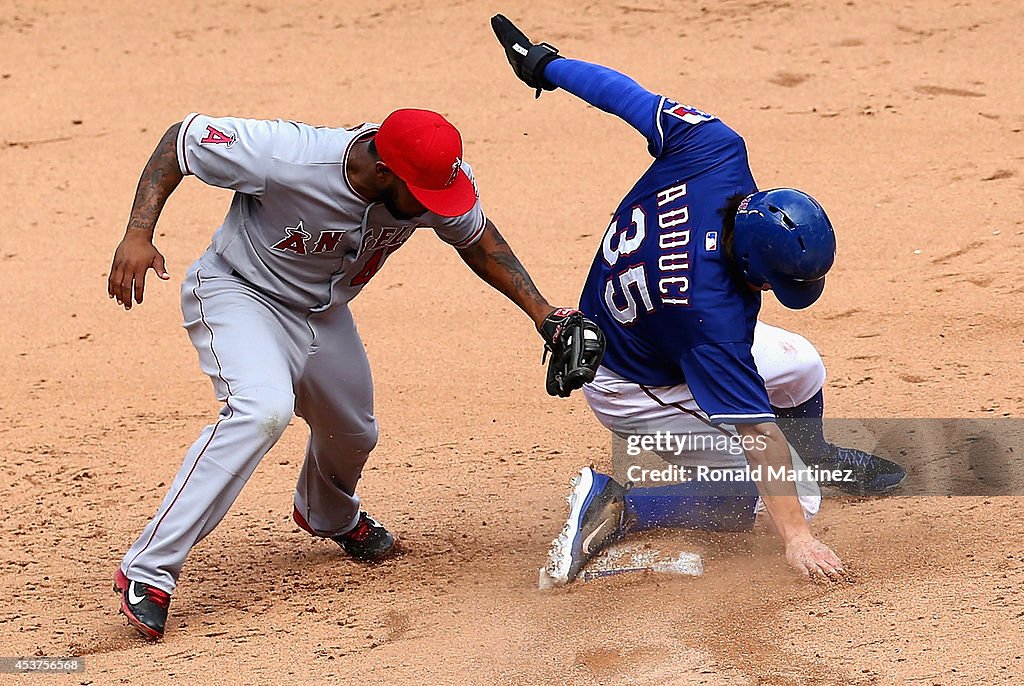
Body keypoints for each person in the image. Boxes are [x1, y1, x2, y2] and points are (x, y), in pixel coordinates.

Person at [106, 107, 603, 638]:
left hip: (323, 312)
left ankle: (329, 514)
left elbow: (475, 238)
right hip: (239, 292)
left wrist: (543, 313)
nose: (433, 208)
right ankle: (149, 569)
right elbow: (180, 141)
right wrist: (138, 233)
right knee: (261, 412)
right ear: (384, 170)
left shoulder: (434, 180)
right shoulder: (286, 155)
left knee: (353, 432)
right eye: (424, 197)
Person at [490, 15, 907, 586]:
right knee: (793, 500)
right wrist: (798, 538)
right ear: (751, 266)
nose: (771, 294)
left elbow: (627, 97)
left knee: (803, 365)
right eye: (773, 283)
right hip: (632, 382)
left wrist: (547, 65)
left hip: (645, 325)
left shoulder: (714, 150)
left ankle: (815, 453)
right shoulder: (713, 320)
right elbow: (758, 434)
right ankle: (620, 504)